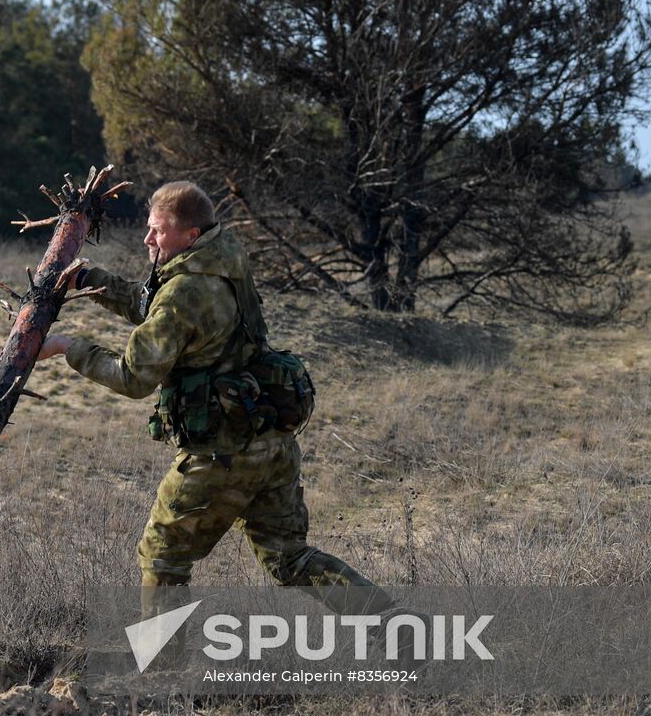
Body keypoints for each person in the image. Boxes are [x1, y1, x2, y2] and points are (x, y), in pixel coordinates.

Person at [37, 181, 388, 616]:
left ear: (191, 236)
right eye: (149, 228)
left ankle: (163, 673)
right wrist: (90, 281)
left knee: (161, 555)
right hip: (272, 443)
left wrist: (67, 348)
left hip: (220, 453)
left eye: (158, 231)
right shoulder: (224, 261)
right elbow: (156, 304)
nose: (148, 239)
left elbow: (133, 377)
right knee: (289, 557)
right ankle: (394, 621)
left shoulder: (187, 290)